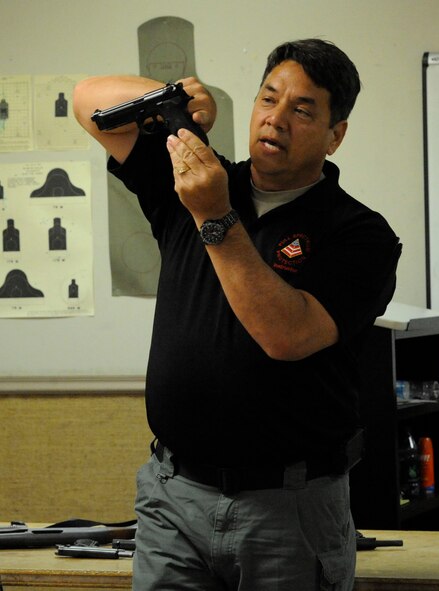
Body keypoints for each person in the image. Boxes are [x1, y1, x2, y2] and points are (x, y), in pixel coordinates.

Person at [74, 38, 401, 591]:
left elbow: (286, 335)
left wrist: (215, 215)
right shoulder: (196, 176)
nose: (276, 119)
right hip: (173, 498)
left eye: (302, 109)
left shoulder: (359, 235)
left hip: (289, 509)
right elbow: (89, 102)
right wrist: (176, 97)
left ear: (335, 135)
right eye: (267, 98)